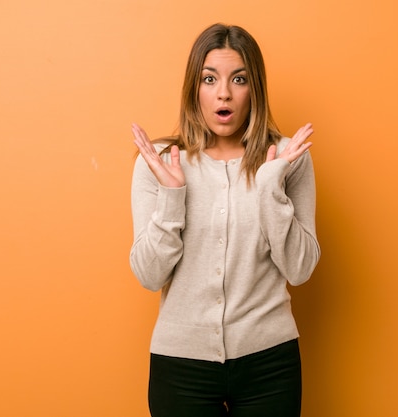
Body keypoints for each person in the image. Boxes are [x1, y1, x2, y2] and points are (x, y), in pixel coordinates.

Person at [130, 23, 320, 417]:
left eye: (239, 79)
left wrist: (271, 186)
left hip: (270, 362)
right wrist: (172, 196)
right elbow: (149, 275)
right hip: (180, 365)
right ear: (193, 88)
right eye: (209, 79)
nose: (224, 93)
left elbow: (300, 269)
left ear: (255, 90)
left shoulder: (287, 157)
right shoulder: (161, 161)